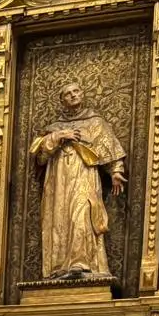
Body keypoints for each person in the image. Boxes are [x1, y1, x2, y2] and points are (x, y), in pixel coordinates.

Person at [29, 82, 126, 279]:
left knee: (82, 214)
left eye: (76, 91)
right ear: (62, 100)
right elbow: (40, 156)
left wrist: (116, 171)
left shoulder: (96, 123)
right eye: (67, 94)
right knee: (59, 221)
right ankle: (59, 267)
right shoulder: (54, 127)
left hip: (84, 176)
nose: (73, 96)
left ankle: (82, 263)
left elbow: (109, 148)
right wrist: (59, 136)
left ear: (82, 94)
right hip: (58, 182)